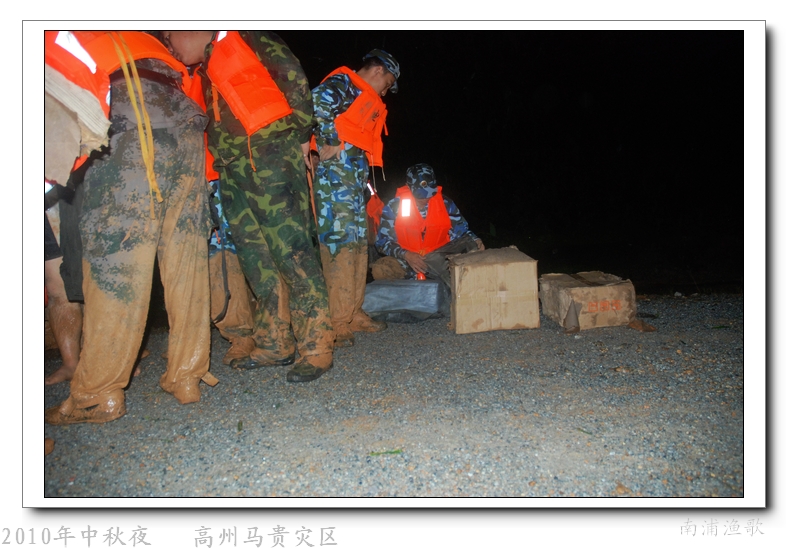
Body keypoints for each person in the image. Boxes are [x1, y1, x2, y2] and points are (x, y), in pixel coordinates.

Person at [45, 31, 215, 426]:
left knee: (117, 261)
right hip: (184, 120)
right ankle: (186, 375)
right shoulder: (141, 34)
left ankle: (97, 395)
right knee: (185, 256)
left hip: (127, 114)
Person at [163, 31, 334, 382]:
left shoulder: (244, 35)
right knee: (257, 260)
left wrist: (302, 136)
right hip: (231, 169)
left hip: (271, 156)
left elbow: (292, 75)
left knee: (292, 252)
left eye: (169, 35)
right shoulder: (205, 69)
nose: (169, 44)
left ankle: (317, 346)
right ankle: (274, 343)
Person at [311, 49, 400, 347]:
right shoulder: (345, 83)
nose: (385, 92)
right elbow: (317, 101)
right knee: (339, 244)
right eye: (387, 84)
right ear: (378, 71)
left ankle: (353, 312)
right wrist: (330, 139)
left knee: (358, 245)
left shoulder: (360, 92)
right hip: (335, 180)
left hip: (352, 183)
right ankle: (337, 320)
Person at [372, 163, 485, 288]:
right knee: (381, 269)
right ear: (408, 186)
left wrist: (475, 239)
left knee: (470, 251)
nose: (425, 198)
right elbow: (382, 241)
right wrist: (406, 255)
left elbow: (462, 231)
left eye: (430, 193)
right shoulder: (394, 206)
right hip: (406, 259)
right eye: (420, 194)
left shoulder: (446, 204)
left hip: (440, 258)